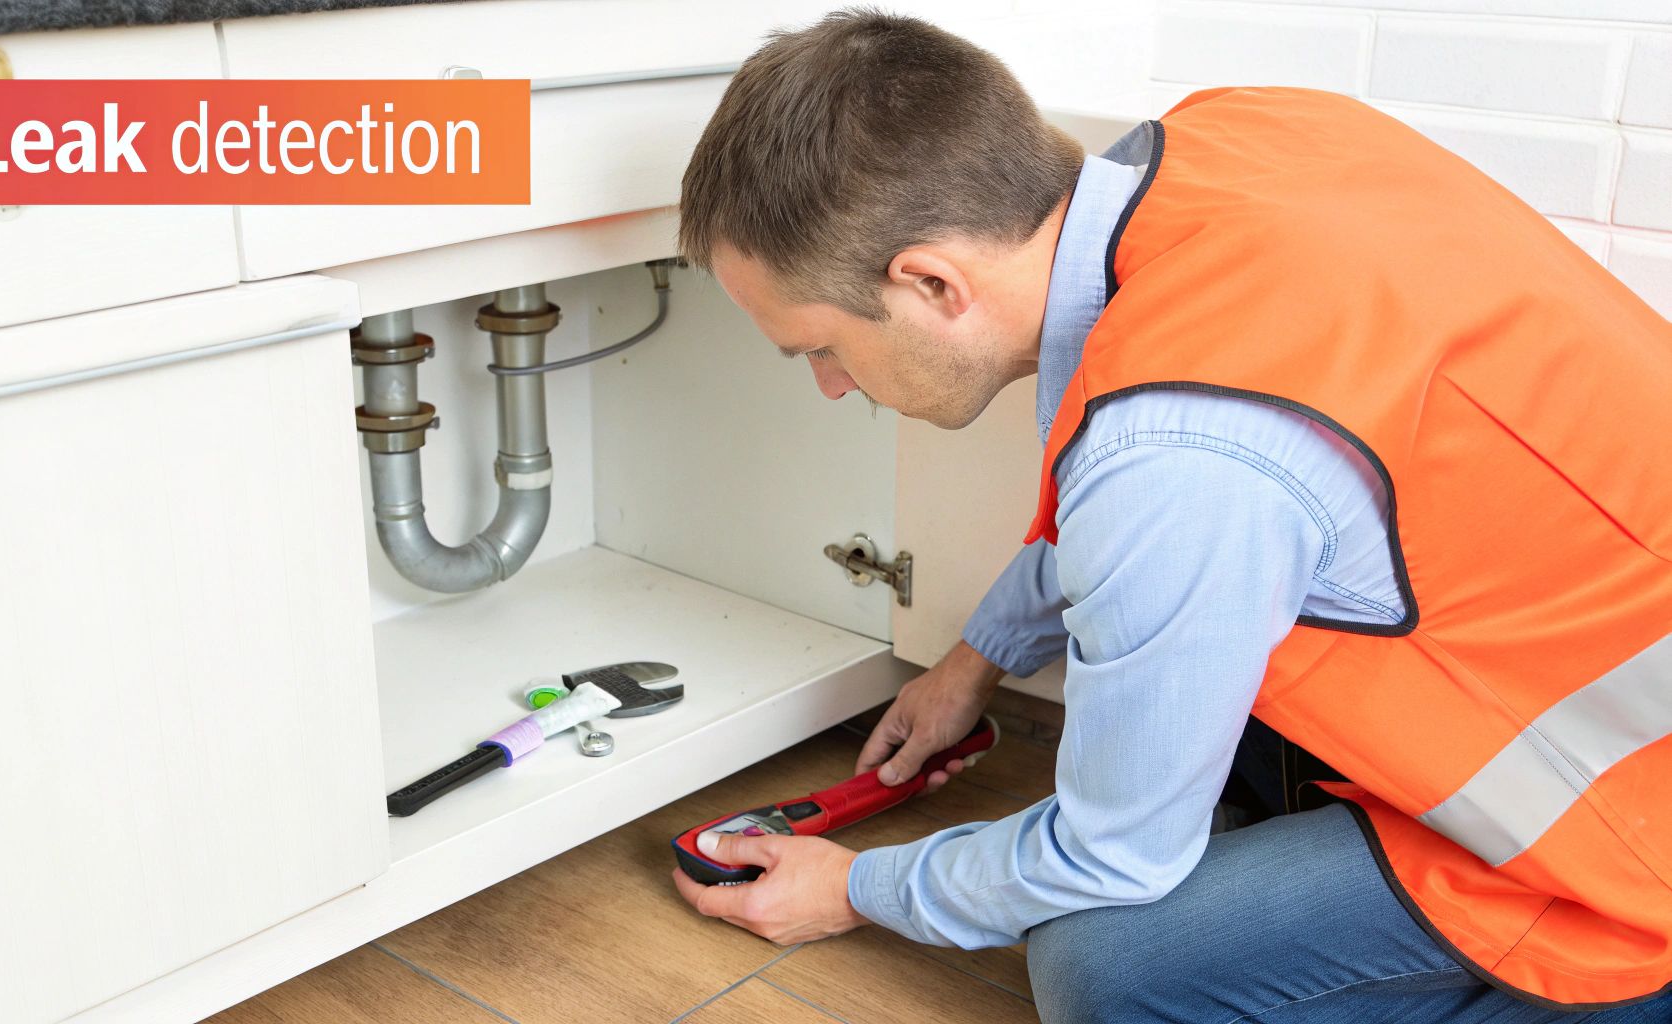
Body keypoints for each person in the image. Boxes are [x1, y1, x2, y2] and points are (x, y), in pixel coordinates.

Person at [666, 9, 1672, 1024]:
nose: (832, 385)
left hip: (1622, 841)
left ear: (931, 281)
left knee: (1105, 964)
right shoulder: (1239, 137)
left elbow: (1111, 852)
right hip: (1580, 677)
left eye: (820, 346)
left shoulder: (1169, 462)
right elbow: (1178, 489)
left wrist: (855, 888)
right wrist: (973, 661)